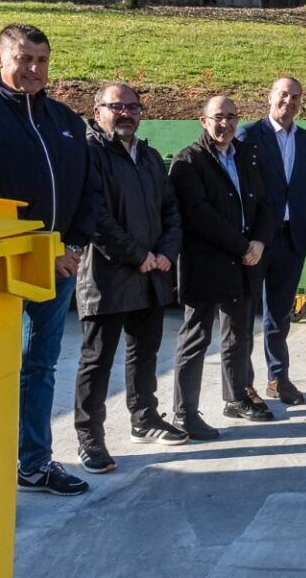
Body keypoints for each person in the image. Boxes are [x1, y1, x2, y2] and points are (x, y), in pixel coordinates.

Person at [0, 23, 100, 496]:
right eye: (23, 59)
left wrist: (70, 248)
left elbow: (89, 190)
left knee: (40, 367)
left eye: (41, 60)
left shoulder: (67, 121)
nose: (33, 69)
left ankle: (33, 464)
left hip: (58, 269)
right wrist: (31, 254)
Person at [72, 82, 189, 474]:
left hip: (151, 275)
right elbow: (95, 217)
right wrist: (138, 255)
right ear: (97, 111)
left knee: (145, 353)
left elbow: (171, 210)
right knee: (96, 360)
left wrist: (164, 255)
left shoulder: (151, 157)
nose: (125, 113)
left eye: (132, 107)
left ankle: (145, 417)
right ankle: (90, 438)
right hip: (106, 276)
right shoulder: (89, 154)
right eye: (116, 107)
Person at [169, 96, 277, 438]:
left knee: (239, 335)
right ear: (203, 121)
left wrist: (259, 242)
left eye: (231, 117)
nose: (225, 124)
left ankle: (236, 398)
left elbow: (265, 204)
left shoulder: (247, 155)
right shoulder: (188, 161)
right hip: (207, 264)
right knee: (196, 337)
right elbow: (200, 216)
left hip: (245, 262)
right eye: (218, 117)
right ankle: (184, 413)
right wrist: (243, 246)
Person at [237, 77, 306, 407]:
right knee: (242, 315)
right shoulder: (248, 135)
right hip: (257, 239)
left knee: (280, 314)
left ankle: (278, 377)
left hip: (292, 237)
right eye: (283, 95)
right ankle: (242, 384)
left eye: (296, 97)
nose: (289, 102)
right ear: (270, 96)